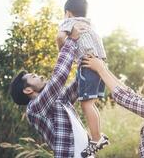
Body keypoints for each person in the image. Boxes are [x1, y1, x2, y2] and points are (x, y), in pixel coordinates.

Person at [9, 24, 94, 158]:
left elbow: (77, 84)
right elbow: (58, 77)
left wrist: (88, 62)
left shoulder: (58, 101)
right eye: (34, 77)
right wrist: (71, 40)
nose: (40, 76)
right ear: (27, 90)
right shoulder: (35, 108)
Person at [57, 0, 108, 157]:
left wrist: (62, 50)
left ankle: (96, 138)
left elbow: (59, 37)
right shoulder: (89, 23)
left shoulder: (70, 22)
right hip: (99, 65)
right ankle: (97, 137)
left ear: (68, 13)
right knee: (90, 104)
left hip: (87, 66)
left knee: (86, 105)